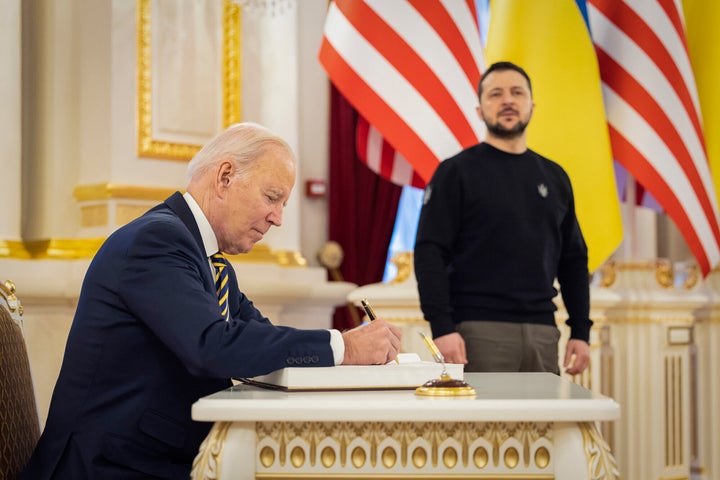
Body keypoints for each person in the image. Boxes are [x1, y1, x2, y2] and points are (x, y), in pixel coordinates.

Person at [22, 122, 402, 479]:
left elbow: (257, 339)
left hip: (156, 455)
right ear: (225, 178)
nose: (278, 218)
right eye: (272, 198)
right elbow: (212, 345)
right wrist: (343, 345)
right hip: (109, 465)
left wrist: (345, 357)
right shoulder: (156, 242)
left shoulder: (208, 260)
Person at [414, 61, 591, 376]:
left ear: (531, 106)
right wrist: (442, 326)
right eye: (495, 94)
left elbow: (573, 260)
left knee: (541, 426)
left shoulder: (555, 177)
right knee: (483, 427)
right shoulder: (455, 173)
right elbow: (430, 253)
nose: (507, 100)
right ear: (480, 110)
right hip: (476, 332)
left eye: (517, 93)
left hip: (543, 332)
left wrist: (581, 330)